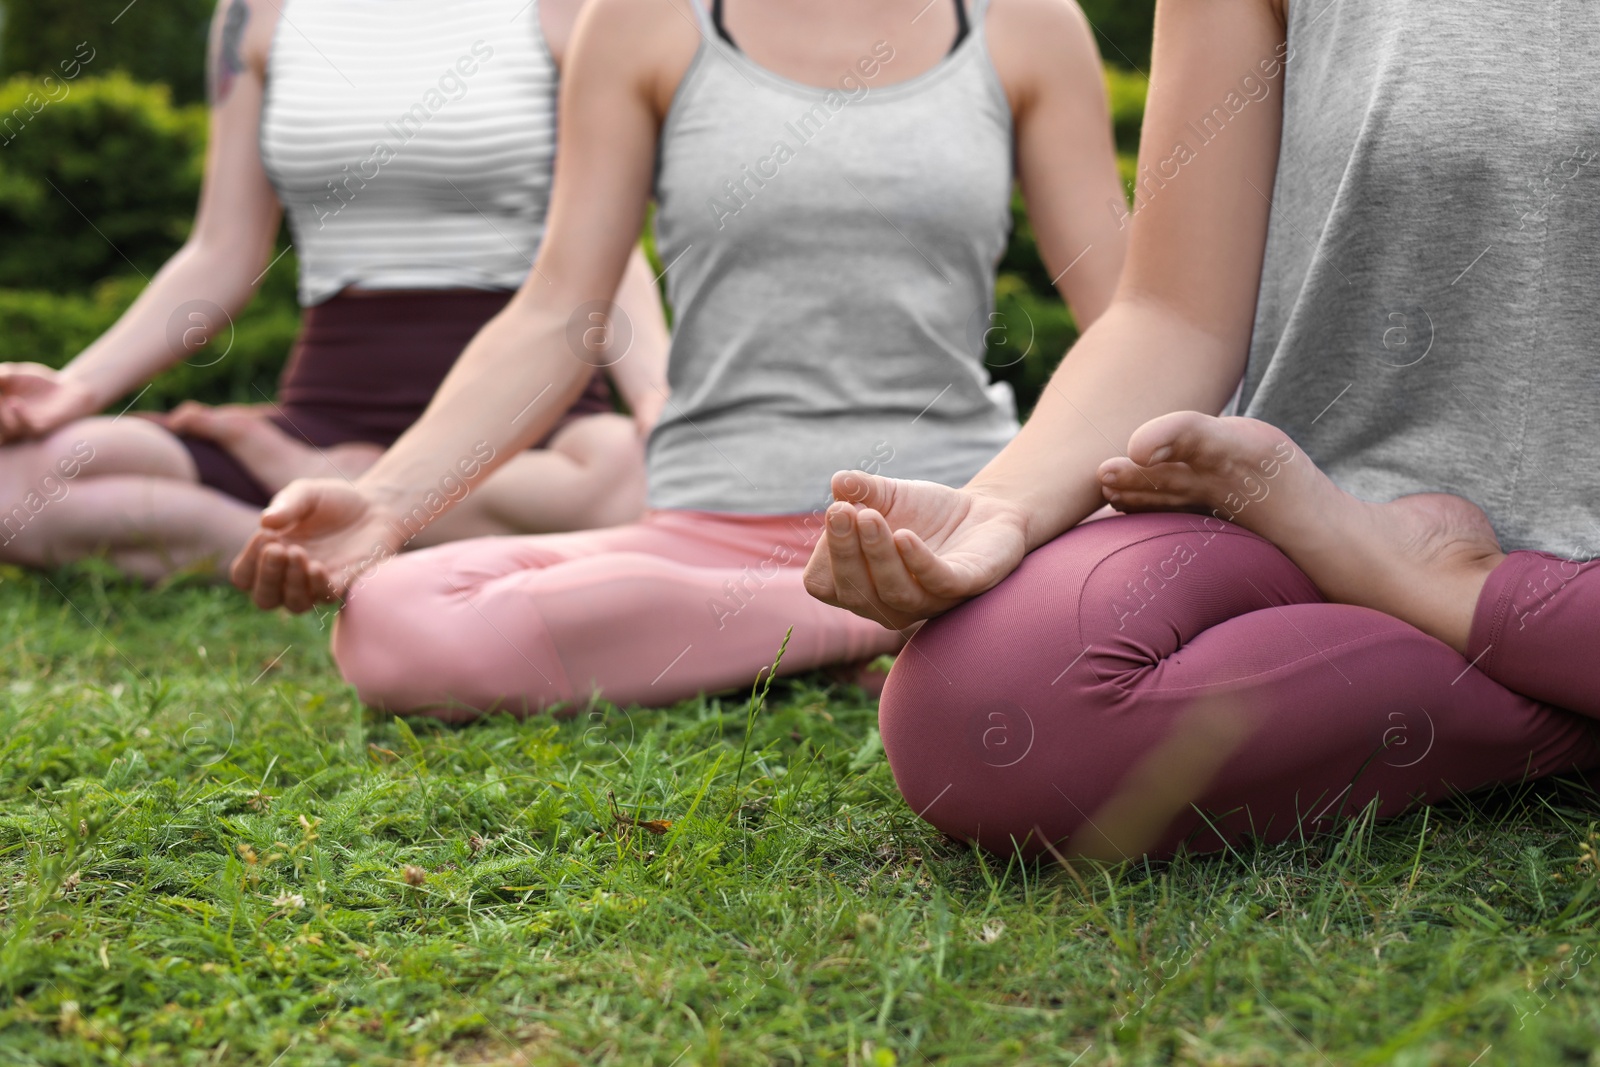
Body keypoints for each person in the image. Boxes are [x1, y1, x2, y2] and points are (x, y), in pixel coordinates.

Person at [804, 0, 1600, 861]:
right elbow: (1174, 314)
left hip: (1426, 547)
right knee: (986, 707)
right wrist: (998, 505)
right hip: (1314, 513)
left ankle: (1448, 591)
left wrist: (1463, 592)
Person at [227, 0, 1128, 719]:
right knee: (395, 621)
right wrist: (386, 502)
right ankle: (886, 623)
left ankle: (916, 610)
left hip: (958, 521)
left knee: (1105, 606)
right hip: (709, 536)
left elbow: (1131, 321)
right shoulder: (642, 21)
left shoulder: (1028, 24)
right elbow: (560, 313)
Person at [0, 0, 669, 581]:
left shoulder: (576, 8)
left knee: (635, 475)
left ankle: (343, 500)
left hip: (530, 427)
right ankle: (338, 537)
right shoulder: (255, 12)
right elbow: (221, 252)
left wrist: (657, 398)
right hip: (332, 410)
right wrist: (76, 387)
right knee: (16, 487)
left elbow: (604, 253)